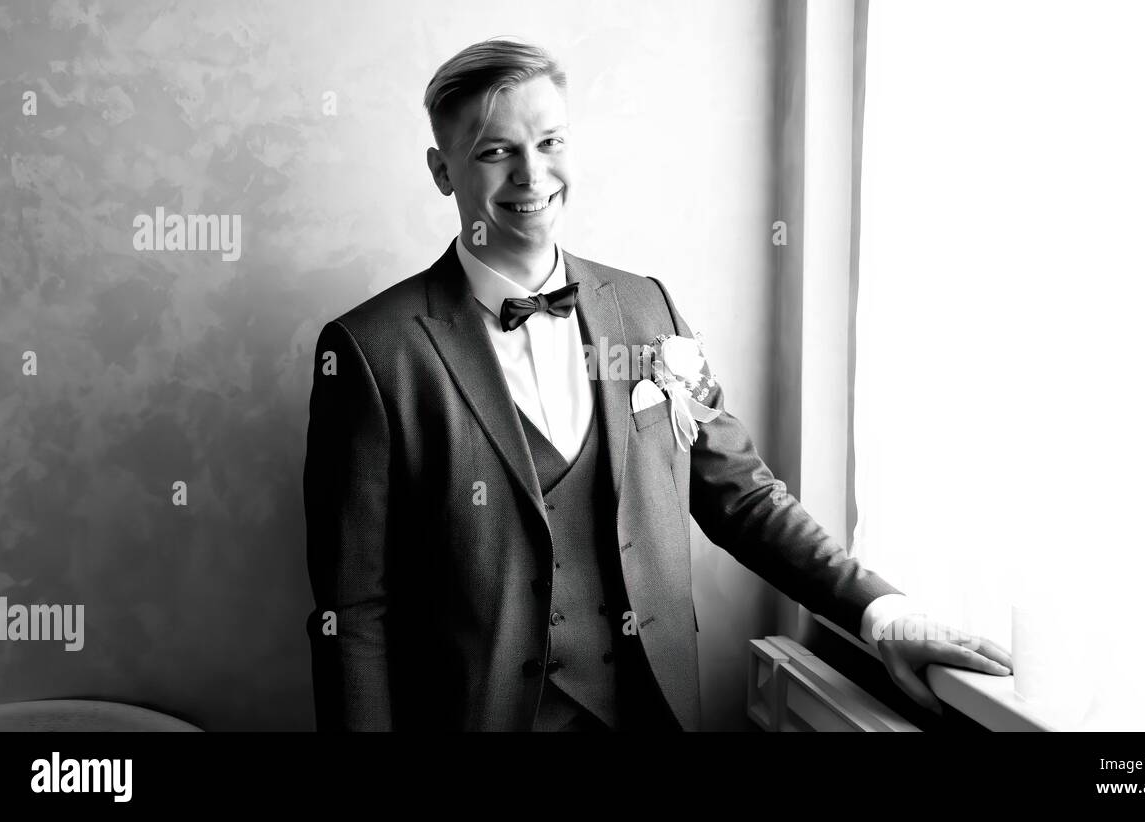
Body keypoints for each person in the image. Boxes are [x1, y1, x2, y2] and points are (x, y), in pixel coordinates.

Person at [303, 38, 1010, 731]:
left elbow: (745, 497)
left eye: (550, 142)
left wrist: (881, 613)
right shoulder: (371, 351)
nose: (531, 174)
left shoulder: (649, 308)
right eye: (496, 151)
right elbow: (355, 609)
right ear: (441, 170)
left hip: (653, 708)